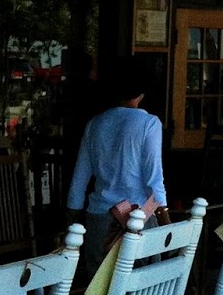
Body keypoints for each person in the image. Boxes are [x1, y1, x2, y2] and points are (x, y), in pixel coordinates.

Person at [65, 57, 167, 278]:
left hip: (99, 219)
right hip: (138, 219)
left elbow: (79, 180)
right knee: (140, 290)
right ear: (142, 93)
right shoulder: (149, 124)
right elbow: (153, 179)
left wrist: (72, 217)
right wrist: (167, 221)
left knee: (100, 290)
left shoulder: (95, 124)